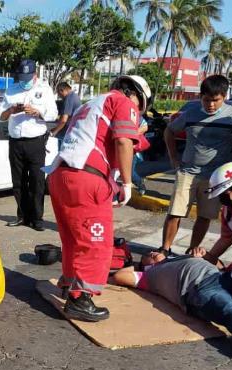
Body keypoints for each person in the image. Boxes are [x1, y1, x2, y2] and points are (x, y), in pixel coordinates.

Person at [46, 74, 151, 321]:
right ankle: (80, 299)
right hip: (87, 178)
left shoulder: (91, 104)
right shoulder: (123, 102)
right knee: (96, 241)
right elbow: (124, 142)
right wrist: (127, 183)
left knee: (73, 237)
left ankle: (70, 282)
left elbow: (116, 140)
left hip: (62, 175)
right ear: (136, 95)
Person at [110, 251, 232, 369]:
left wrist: (205, 255)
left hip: (223, 278)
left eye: (153, 252)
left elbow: (219, 264)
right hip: (198, 291)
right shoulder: (147, 276)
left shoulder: (180, 257)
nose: (153, 254)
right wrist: (140, 266)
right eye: (148, 257)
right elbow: (120, 276)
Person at [160, 74, 232, 256]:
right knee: (175, 212)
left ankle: (191, 251)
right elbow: (169, 131)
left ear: (224, 97)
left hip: (215, 178)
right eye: (206, 100)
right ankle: (165, 248)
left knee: (205, 216)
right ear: (200, 97)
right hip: (187, 172)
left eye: (215, 100)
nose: (210, 105)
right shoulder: (190, 114)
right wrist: (174, 158)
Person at [0, 59, 58, 231]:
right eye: (22, 77)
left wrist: (38, 112)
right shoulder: (12, 89)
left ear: (35, 75)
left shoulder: (44, 90)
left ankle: (37, 219)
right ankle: (22, 216)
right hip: (15, 141)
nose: (24, 81)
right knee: (18, 182)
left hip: (36, 142)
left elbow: (53, 114)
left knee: (37, 181)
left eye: (27, 77)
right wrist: (11, 111)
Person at [50, 82, 82, 146]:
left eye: (59, 93)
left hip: (67, 132)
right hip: (74, 130)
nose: (59, 95)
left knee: (62, 152)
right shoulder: (75, 96)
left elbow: (64, 120)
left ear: (62, 90)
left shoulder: (69, 99)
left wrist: (54, 132)